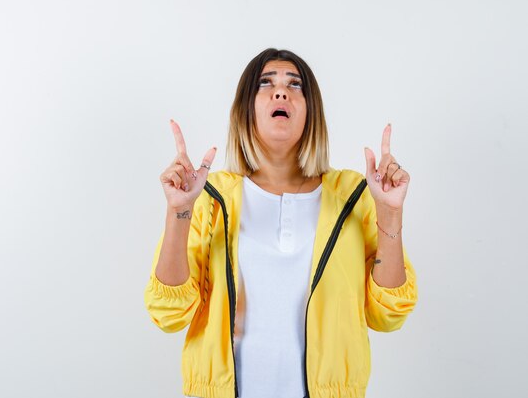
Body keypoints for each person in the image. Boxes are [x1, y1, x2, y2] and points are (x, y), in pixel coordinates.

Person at [144, 48, 418, 398]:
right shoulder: (211, 198)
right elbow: (169, 314)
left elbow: (388, 315)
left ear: (310, 111)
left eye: (295, 84)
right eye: (265, 83)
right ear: (246, 110)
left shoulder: (353, 196)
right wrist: (179, 210)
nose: (281, 91)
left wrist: (390, 213)